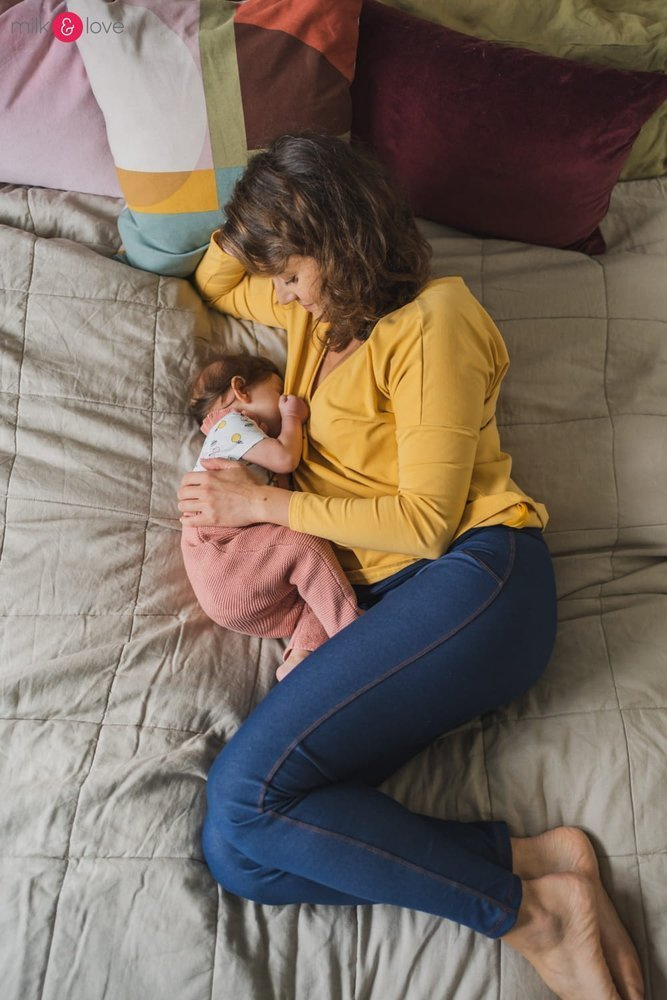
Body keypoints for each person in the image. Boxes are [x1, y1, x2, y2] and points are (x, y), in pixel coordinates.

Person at [178, 133, 644, 1000]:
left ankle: (533, 917)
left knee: (245, 797)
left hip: (476, 579)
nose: (279, 295)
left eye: (291, 271)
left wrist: (261, 507)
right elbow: (215, 278)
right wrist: (262, 192)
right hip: (390, 606)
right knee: (241, 854)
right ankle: (535, 863)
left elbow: (426, 524)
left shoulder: (435, 322)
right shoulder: (312, 320)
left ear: (340, 242)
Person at [182, 351, 362, 681]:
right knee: (306, 547)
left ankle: (298, 658)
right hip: (223, 557)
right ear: (241, 389)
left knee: (321, 594)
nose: (284, 399)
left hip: (240, 588)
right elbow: (285, 459)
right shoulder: (231, 424)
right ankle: (356, 634)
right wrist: (292, 418)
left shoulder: (242, 442)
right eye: (278, 392)